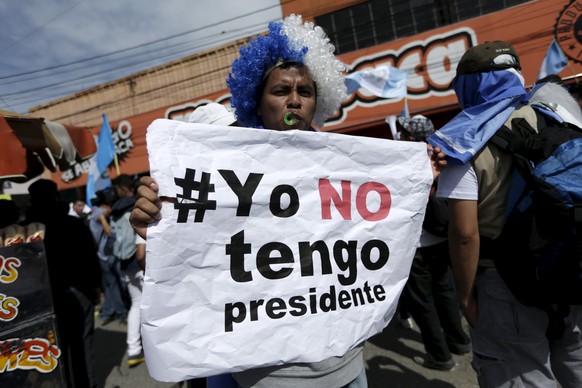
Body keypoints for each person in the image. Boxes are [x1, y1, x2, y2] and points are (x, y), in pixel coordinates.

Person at [130, 14, 446, 388]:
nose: (294, 100)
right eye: (280, 91)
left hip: (344, 367)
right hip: (262, 376)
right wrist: (158, 224)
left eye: (305, 92)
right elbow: (193, 264)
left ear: (319, 101)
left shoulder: (346, 169)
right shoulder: (224, 172)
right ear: (257, 102)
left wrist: (416, 182)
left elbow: (379, 236)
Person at [429, 41, 582, 387]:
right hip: (569, 267)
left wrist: (466, 298)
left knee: (522, 375)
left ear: (468, 85)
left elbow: (465, 234)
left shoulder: (462, 140)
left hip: (505, 283)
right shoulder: (558, 116)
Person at [397, 115, 470, 371]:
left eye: (404, 132)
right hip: (441, 238)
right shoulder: (441, 155)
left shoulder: (402, 161)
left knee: (422, 301)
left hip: (417, 244)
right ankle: (459, 341)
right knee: (445, 291)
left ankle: (440, 356)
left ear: (411, 137)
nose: (400, 136)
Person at [25, 179, 102, 388]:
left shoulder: (26, 233)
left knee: (51, 350)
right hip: (77, 293)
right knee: (81, 345)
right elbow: (90, 259)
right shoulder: (73, 225)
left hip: (42, 299)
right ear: (57, 197)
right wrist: (96, 287)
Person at [110, 174, 143, 367]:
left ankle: (133, 349)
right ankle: (150, 345)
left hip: (124, 263)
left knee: (136, 304)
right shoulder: (134, 206)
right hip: (139, 263)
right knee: (148, 305)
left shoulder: (114, 210)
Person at [88, 189, 128, 326]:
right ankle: (122, 313)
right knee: (118, 285)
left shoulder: (93, 213)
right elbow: (108, 230)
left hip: (103, 256)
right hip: (108, 256)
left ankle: (110, 311)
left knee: (112, 286)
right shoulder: (99, 213)